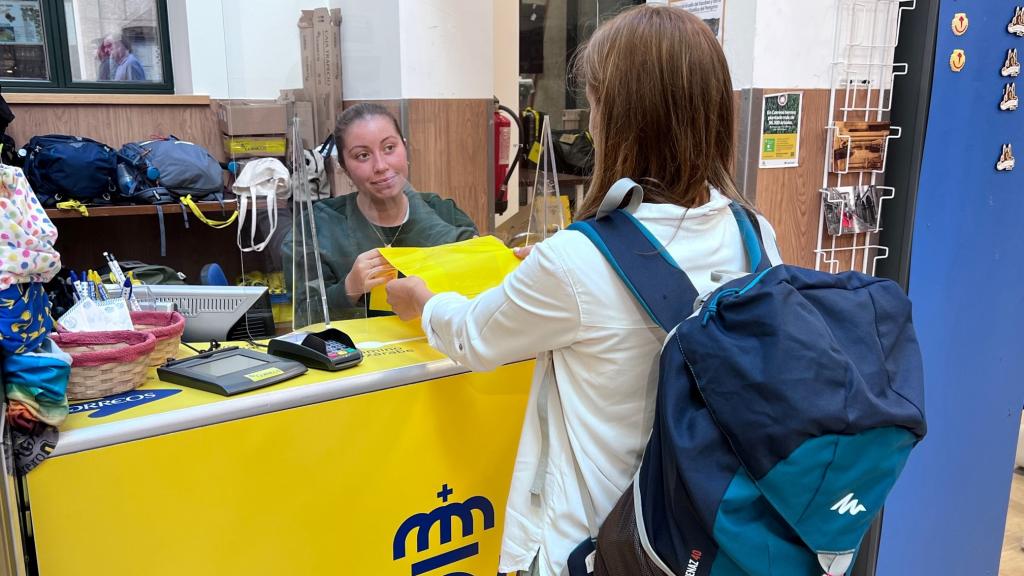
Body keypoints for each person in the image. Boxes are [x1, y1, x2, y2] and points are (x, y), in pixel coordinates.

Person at [385, 6, 782, 575]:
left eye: (596, 103)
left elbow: (473, 337)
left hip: (603, 549)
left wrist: (422, 302)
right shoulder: (753, 234)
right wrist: (552, 271)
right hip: (708, 535)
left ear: (622, 118)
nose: (591, 123)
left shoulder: (576, 261)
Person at [283, 103, 477, 319]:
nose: (381, 165)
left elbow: (478, 300)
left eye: (389, 148)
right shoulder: (317, 227)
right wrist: (349, 288)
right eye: (362, 156)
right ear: (344, 167)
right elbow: (302, 317)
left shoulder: (444, 215)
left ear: (405, 148)